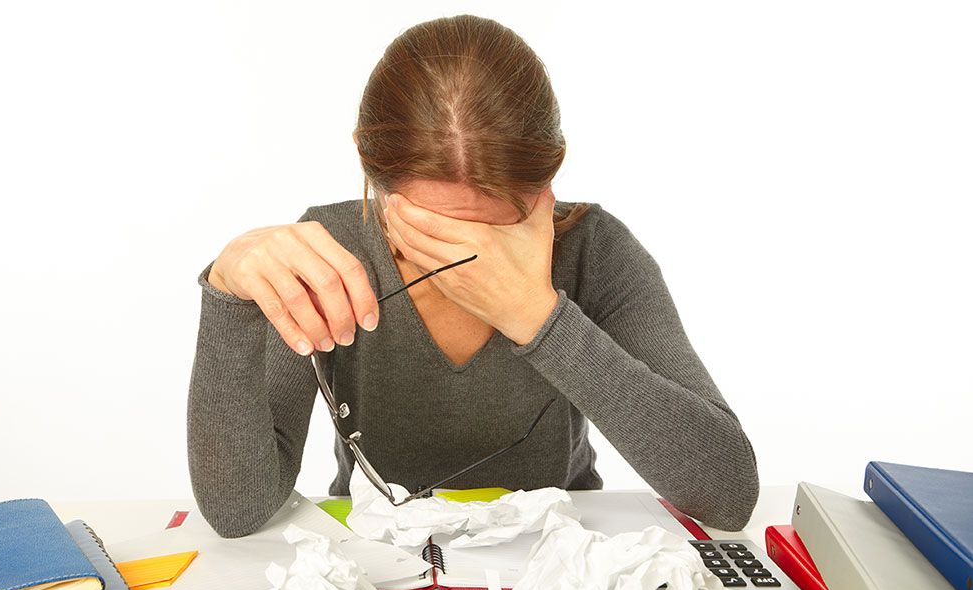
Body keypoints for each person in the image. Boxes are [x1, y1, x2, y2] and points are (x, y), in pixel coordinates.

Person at [188, 14, 759, 538]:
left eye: (493, 226)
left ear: (549, 175)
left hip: (561, 560)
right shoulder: (325, 253)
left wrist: (535, 316)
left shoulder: (595, 251)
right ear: (367, 160)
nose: (455, 251)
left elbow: (728, 495)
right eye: (427, 224)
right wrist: (228, 295)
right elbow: (240, 511)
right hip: (376, 562)